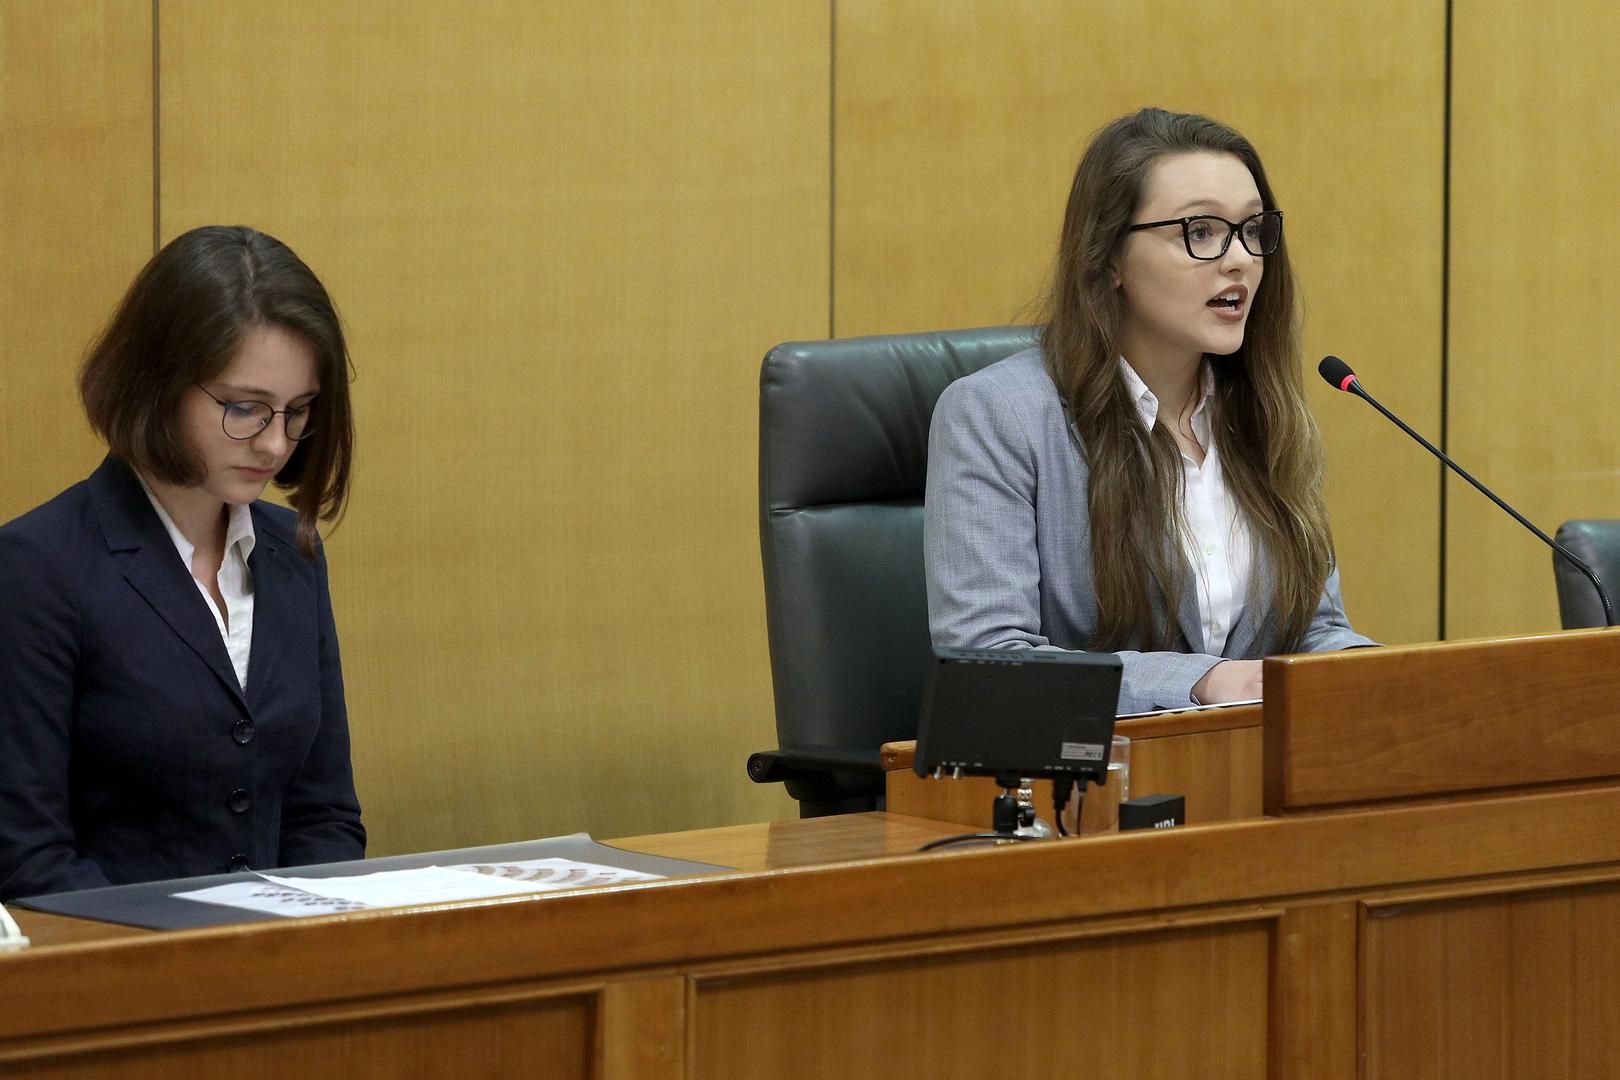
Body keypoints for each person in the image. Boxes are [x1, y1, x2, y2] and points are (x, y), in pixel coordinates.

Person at [925, 108, 1375, 715]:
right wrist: (1203, 682)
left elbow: (1314, 631)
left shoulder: (1264, 412)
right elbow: (989, 665)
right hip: (1093, 772)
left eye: (1252, 229)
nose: (1240, 259)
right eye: (1201, 231)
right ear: (1110, 257)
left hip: (1252, 765)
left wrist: (1380, 678)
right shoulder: (999, 416)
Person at [0, 225, 365, 899]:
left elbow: (323, 815)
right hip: (108, 954)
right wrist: (191, 951)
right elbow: (27, 856)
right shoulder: (37, 566)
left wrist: (298, 940)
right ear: (157, 383)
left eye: (298, 411)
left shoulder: (294, 553)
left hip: (280, 955)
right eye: (245, 409)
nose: (275, 443)